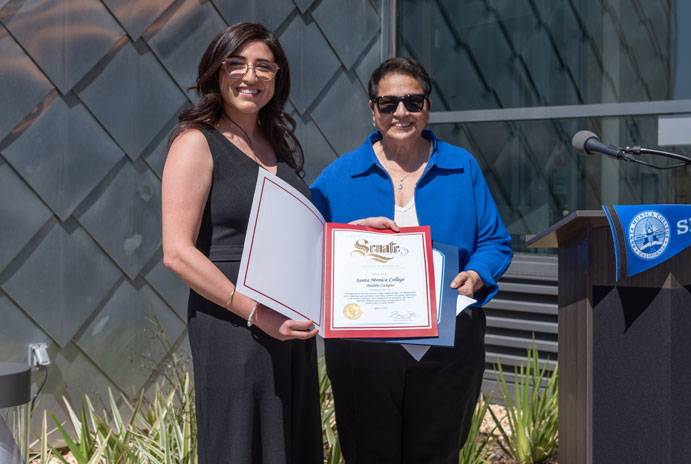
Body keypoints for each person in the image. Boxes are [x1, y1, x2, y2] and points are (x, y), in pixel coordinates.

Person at [311, 57, 513, 463]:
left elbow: (494, 241)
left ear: (427, 106)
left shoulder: (462, 167)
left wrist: (476, 272)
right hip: (363, 351)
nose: (401, 112)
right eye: (388, 104)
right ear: (373, 110)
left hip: (448, 341)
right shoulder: (337, 177)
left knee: (436, 453)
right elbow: (310, 246)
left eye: (412, 101)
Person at [161, 22, 322, 464]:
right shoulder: (196, 142)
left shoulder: (276, 145)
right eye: (237, 63)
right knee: (242, 444)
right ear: (216, 71)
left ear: (277, 78)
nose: (251, 76)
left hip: (289, 327)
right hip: (233, 324)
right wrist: (255, 311)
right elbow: (177, 252)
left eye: (264, 67)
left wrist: (353, 233)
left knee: (290, 441)